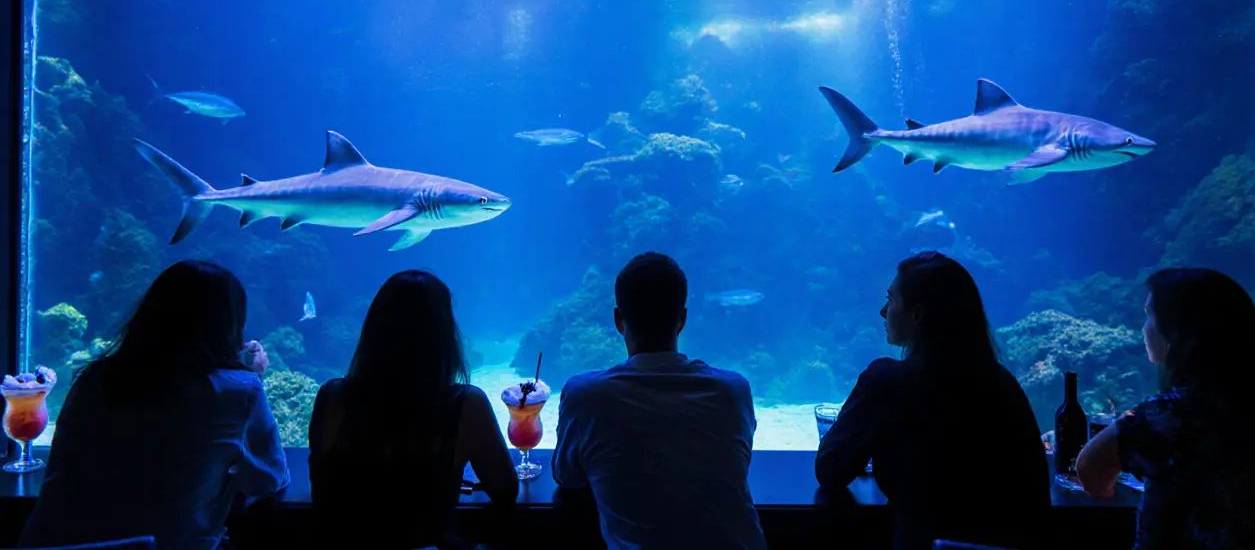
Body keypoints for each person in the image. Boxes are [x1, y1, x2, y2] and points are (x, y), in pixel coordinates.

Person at [19, 260, 289, 550]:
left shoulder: (93, 379)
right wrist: (249, 375)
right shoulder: (240, 391)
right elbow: (269, 479)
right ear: (230, 323)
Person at [814, 251, 1049, 550]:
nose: (883, 312)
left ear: (917, 314)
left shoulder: (887, 381)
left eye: (892, 300)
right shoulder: (1002, 383)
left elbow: (830, 470)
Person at [551, 251, 768, 550]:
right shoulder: (733, 391)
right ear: (682, 319)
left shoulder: (585, 395)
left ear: (618, 320)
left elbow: (568, 477)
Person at [309, 269, 517, 550]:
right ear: (445, 335)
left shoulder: (332, 397)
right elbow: (505, 491)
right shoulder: (467, 404)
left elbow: (320, 489)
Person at [1077, 268, 1255, 549]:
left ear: (1179, 328)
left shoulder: (1170, 415)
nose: (1143, 328)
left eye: (1150, 315)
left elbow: (1089, 468)